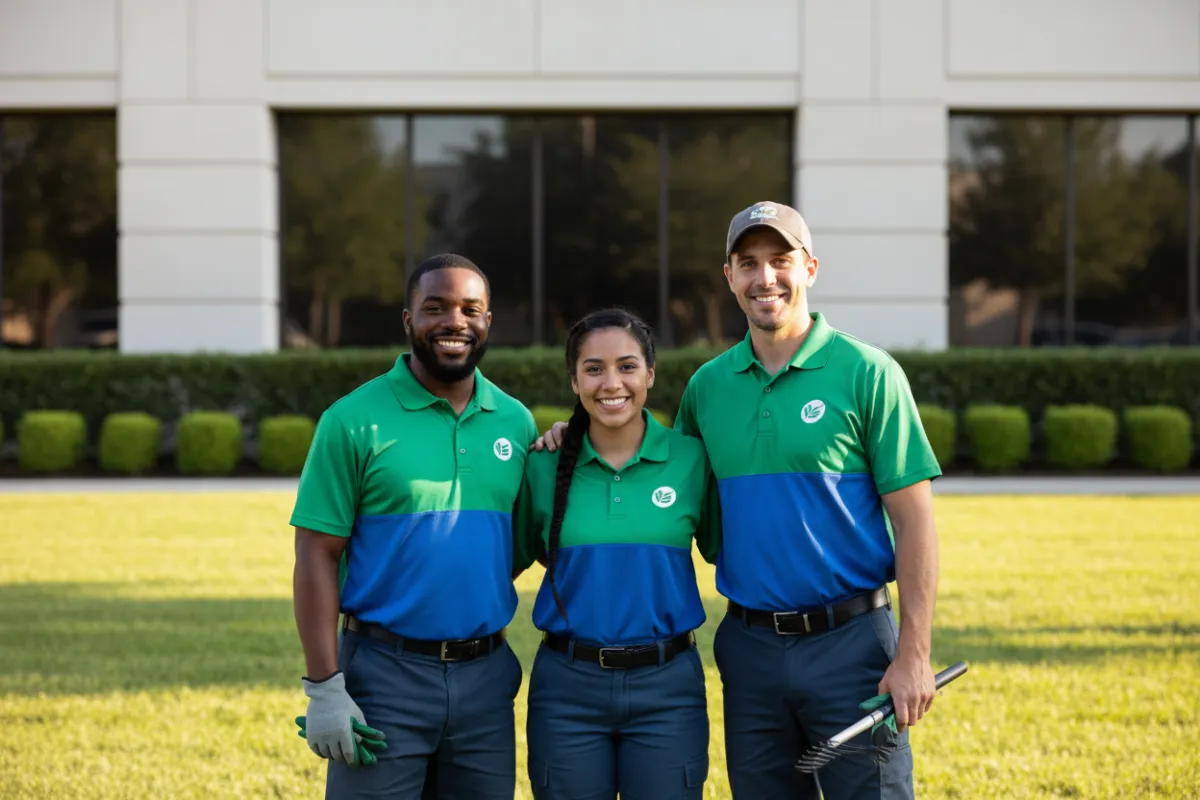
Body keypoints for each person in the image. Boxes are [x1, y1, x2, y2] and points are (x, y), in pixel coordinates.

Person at [535, 202, 943, 799]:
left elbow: (915, 522)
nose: (765, 278)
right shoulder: (708, 387)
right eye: (748, 263)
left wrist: (914, 653)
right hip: (750, 649)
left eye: (780, 260)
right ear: (729, 276)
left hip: (852, 644)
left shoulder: (868, 373)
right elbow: (666, 473)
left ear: (809, 268)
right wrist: (576, 433)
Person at [291, 253, 539, 799]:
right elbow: (315, 554)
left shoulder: (515, 421)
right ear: (408, 321)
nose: (455, 322)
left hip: (487, 675)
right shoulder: (351, 420)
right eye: (436, 308)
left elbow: (514, 543)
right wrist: (325, 688)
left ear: (488, 322)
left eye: (470, 309)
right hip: (383, 677)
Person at [512, 308, 721, 800]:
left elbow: (723, 547)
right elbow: (520, 556)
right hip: (566, 688)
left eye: (628, 366)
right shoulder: (541, 466)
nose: (612, 383)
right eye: (594, 368)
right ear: (574, 379)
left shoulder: (692, 459)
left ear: (650, 374)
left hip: (668, 687)